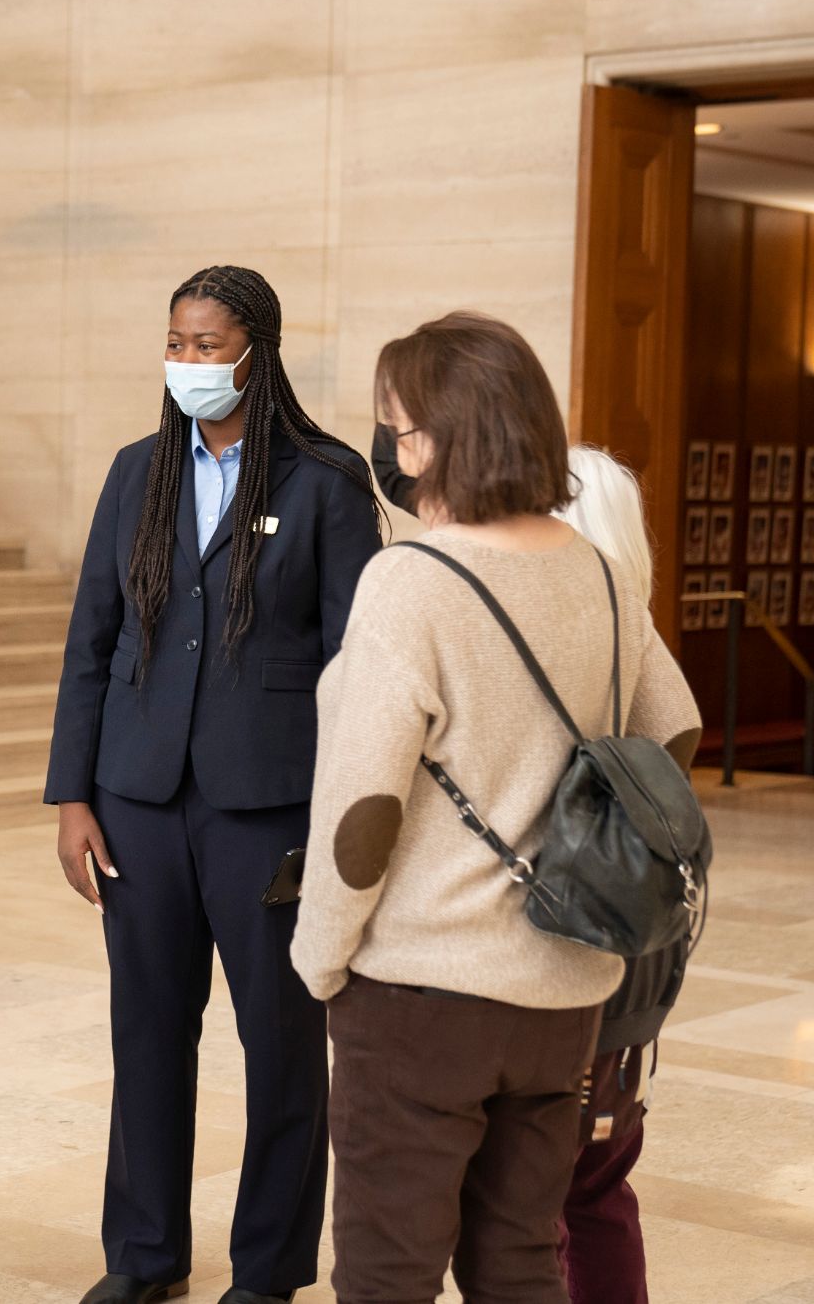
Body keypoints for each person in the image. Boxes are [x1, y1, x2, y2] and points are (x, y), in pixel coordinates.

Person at [291, 312, 700, 1303]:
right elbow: (672, 728)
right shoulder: (597, 577)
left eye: (399, 427)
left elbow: (362, 811)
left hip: (424, 992)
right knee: (517, 1262)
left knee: (387, 1273)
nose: (393, 449)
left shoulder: (410, 582)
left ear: (441, 437)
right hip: (564, 989)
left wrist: (320, 957)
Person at [45, 266, 381, 1304]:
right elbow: (89, 644)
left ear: (257, 351)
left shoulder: (325, 481)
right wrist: (72, 796)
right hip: (137, 800)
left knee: (279, 1046)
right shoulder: (132, 471)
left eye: (208, 343)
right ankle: (141, 1257)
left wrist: (337, 817)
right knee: (145, 1033)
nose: (189, 362)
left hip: (266, 805)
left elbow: (356, 660)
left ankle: (267, 1272)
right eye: (176, 343)